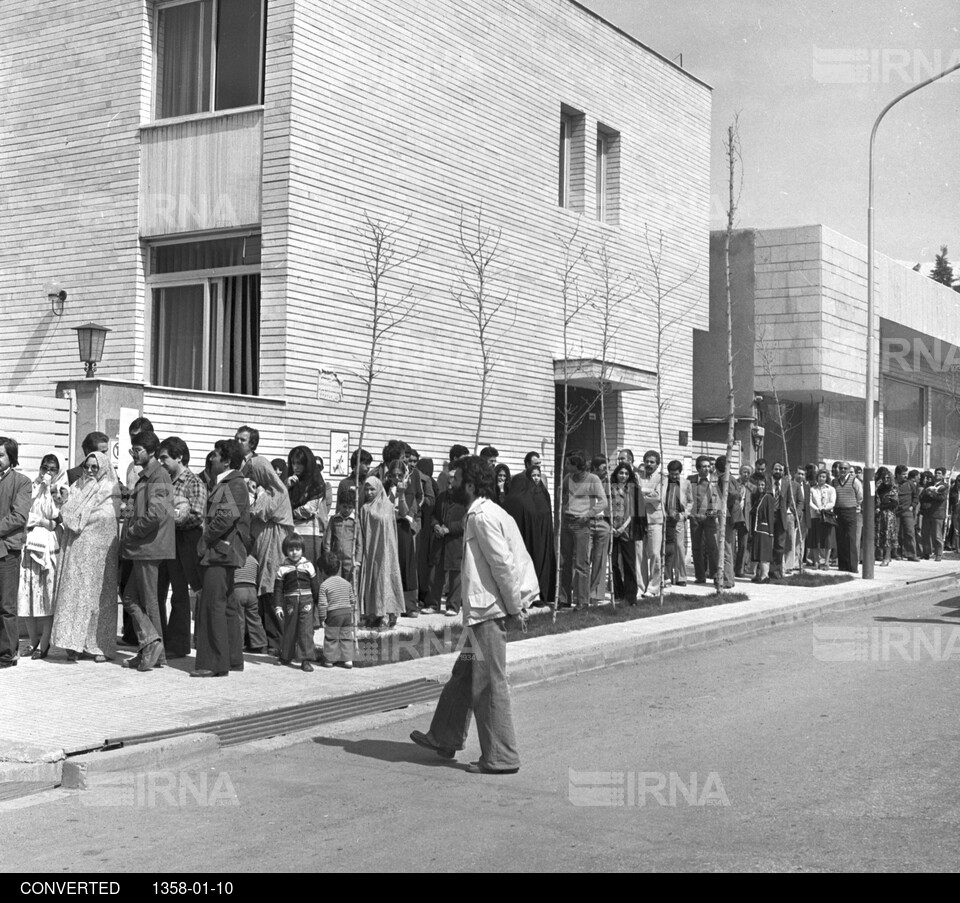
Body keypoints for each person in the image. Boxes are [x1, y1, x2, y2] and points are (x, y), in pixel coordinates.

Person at [409, 455, 538, 775]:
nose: (448, 484)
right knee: (464, 676)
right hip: (485, 608)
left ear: (468, 484)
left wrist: (515, 608)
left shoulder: (481, 517)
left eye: (454, 480)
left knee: (489, 685)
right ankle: (444, 736)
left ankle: (502, 756)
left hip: (490, 611)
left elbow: (503, 566)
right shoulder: (487, 511)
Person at [50, 451, 120, 663]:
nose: (89, 471)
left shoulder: (110, 490)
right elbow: (66, 512)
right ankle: (73, 644)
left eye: (94, 467)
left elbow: (105, 519)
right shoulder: (77, 486)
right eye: (86, 466)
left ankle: (99, 646)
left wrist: (73, 514)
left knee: (100, 598)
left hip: (100, 555)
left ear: (104, 468)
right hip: (77, 551)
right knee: (74, 596)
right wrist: (64, 505)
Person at [193, 438, 251, 678]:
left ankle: (214, 663)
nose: (211, 458)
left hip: (220, 553)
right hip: (224, 552)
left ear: (226, 460)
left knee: (211, 606)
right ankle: (232, 658)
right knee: (227, 606)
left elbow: (225, 518)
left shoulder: (234, 483)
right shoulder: (229, 482)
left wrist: (204, 538)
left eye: (215, 455)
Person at [119, 431, 174, 672]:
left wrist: (132, 532)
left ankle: (155, 652)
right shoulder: (145, 476)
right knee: (131, 598)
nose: (134, 454)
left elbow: (156, 514)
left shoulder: (159, 476)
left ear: (152, 452)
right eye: (133, 449)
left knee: (149, 601)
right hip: (141, 547)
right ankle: (149, 648)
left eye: (138, 449)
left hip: (149, 547)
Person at [156, 436, 206, 659]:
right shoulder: (164, 481)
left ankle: (179, 644)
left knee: (179, 593)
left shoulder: (193, 482)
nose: (161, 461)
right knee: (158, 592)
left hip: (184, 542)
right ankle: (160, 640)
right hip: (164, 542)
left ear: (179, 457)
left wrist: (169, 517)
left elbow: (195, 514)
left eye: (165, 457)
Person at [245, 445, 295, 654]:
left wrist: (257, 493)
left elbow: (260, 511)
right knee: (260, 587)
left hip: (275, 543)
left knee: (271, 587)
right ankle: (261, 637)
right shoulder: (265, 490)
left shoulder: (278, 490)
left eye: (252, 473)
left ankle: (278, 640)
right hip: (261, 541)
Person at [17, 455, 65, 660]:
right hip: (28, 542)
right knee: (27, 592)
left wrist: (50, 489)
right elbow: (24, 510)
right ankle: (32, 639)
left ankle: (44, 642)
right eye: (44, 467)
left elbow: (57, 516)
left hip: (48, 545)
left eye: (52, 469)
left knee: (46, 594)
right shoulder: (31, 486)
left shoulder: (61, 489)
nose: (47, 471)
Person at [559, 452, 607, 609]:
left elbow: (603, 502)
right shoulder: (568, 478)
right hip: (568, 521)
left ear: (576, 465)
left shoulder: (593, 479)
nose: (566, 466)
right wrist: (564, 507)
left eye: (568, 463)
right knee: (565, 562)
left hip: (582, 525)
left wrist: (587, 515)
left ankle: (582, 601)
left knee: (581, 563)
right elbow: (564, 495)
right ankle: (564, 599)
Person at [503, 463, 556, 606]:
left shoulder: (543, 492)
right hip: (528, 537)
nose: (537, 479)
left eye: (539, 475)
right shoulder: (522, 495)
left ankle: (542, 594)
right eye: (533, 476)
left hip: (543, 536)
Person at [359, 475, 405, 629]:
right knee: (374, 580)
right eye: (367, 489)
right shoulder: (365, 508)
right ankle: (374, 613)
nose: (369, 492)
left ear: (379, 489)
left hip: (388, 550)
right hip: (372, 550)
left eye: (372, 489)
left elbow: (396, 523)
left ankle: (387, 614)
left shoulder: (389, 506)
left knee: (386, 579)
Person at [273, 534, 318, 672]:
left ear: (302, 550)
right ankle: (286, 656)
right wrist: (278, 606)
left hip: (307, 602)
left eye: (297, 548)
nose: (294, 552)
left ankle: (305, 659)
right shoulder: (282, 568)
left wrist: (319, 603)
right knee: (290, 629)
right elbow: (278, 590)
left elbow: (315, 585)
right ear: (285, 551)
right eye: (291, 549)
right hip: (290, 602)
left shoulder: (308, 566)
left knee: (305, 631)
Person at [430, 474, 467, 616]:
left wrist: (449, 528)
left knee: (455, 576)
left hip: (455, 541)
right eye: (448, 484)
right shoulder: (441, 497)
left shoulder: (465, 500)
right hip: (440, 541)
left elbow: (466, 520)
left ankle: (453, 606)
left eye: (453, 484)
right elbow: (434, 515)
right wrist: (436, 525)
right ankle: (433, 604)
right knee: (436, 574)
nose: (450, 487)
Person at [287, 445, 327, 566]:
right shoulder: (289, 481)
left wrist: (289, 513)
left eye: (300, 463)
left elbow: (309, 509)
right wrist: (286, 488)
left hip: (308, 532)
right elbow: (278, 503)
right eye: (293, 463)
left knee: (308, 569)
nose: (296, 467)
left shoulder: (316, 483)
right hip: (290, 531)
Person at [316, 551, 357, 669]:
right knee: (346, 636)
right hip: (347, 612)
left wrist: (322, 618)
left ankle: (329, 660)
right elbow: (352, 599)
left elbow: (323, 604)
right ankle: (348, 660)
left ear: (322, 571)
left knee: (331, 637)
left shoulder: (324, 585)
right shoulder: (346, 583)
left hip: (333, 614)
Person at [637, 450, 666, 598]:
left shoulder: (662, 478)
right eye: (647, 461)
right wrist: (649, 493)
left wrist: (643, 494)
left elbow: (659, 497)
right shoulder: (638, 477)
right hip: (639, 519)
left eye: (652, 462)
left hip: (655, 520)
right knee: (640, 554)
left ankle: (654, 587)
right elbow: (634, 494)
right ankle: (641, 587)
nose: (649, 464)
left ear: (657, 464)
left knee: (655, 553)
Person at [608, 462, 638, 605]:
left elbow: (633, 512)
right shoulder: (609, 488)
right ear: (616, 474)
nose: (623, 476)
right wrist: (612, 527)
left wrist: (622, 528)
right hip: (612, 530)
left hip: (626, 530)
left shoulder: (632, 489)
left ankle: (631, 596)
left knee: (629, 563)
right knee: (613, 563)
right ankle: (619, 592)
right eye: (621, 473)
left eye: (626, 473)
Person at [689, 455, 720, 584]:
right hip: (695, 518)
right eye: (704, 466)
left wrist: (716, 510)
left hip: (710, 518)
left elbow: (720, 498)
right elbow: (684, 495)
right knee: (697, 548)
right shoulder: (691, 480)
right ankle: (700, 576)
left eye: (708, 466)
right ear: (698, 468)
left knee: (712, 546)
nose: (707, 469)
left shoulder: (715, 480)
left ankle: (714, 574)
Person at [323, 488, 360, 586]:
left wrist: (357, 560)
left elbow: (359, 543)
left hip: (350, 559)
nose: (347, 510)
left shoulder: (355, 521)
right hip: (336, 559)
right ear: (339, 505)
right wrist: (328, 556)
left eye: (350, 507)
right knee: (336, 583)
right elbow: (328, 540)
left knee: (350, 584)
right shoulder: (334, 519)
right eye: (344, 506)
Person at [663, 460, 691, 587]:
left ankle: (681, 577)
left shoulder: (686, 483)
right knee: (666, 548)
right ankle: (666, 575)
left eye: (676, 474)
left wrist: (685, 514)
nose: (674, 476)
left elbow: (691, 501)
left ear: (680, 472)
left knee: (679, 547)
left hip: (679, 517)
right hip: (665, 517)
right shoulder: (663, 482)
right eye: (672, 474)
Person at [235, 550, 267, 653]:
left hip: (237, 589)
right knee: (255, 618)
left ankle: (238, 645)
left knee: (239, 619)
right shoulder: (254, 561)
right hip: (252, 590)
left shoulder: (235, 557)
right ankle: (261, 644)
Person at [833, 461, 863, 573]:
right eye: (841, 468)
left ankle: (852, 566)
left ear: (848, 469)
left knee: (851, 539)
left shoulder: (854, 481)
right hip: (838, 511)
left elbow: (860, 496)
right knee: (840, 539)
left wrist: (854, 505)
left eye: (845, 468)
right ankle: (842, 565)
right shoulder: (834, 481)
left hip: (850, 511)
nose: (842, 470)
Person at [807, 469, 836, 570]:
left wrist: (824, 509)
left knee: (827, 540)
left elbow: (832, 502)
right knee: (815, 540)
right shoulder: (812, 489)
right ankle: (816, 562)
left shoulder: (831, 489)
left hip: (827, 516)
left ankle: (827, 562)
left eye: (823, 477)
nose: (821, 478)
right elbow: (809, 502)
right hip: (815, 516)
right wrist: (817, 509)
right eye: (820, 476)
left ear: (826, 478)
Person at [749, 475, 775, 584]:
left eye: (763, 485)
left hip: (765, 529)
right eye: (759, 484)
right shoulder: (758, 496)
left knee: (764, 553)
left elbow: (770, 514)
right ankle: (757, 574)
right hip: (757, 529)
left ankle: (765, 576)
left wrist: (771, 531)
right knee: (757, 552)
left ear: (767, 486)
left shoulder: (768, 497)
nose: (760, 487)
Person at [920, 467, 949, 561]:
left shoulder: (944, 486)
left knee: (937, 535)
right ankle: (926, 552)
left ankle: (938, 554)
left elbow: (941, 498)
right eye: (936, 473)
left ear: (943, 475)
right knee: (925, 533)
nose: (937, 475)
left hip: (938, 513)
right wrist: (929, 494)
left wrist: (931, 494)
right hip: (927, 512)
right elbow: (922, 496)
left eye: (939, 473)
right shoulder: (928, 484)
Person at [875, 467, 898, 567]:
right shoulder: (879, 488)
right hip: (878, 515)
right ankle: (877, 555)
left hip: (888, 515)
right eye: (884, 478)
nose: (886, 480)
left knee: (887, 536)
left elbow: (894, 503)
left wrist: (881, 507)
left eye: (888, 478)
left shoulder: (893, 488)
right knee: (878, 536)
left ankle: (886, 558)